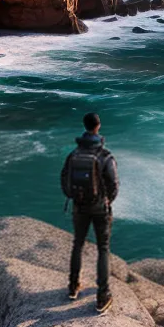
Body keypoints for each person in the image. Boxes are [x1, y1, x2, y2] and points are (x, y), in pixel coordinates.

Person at [62, 112, 119, 313]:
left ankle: (73, 286)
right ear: (98, 126)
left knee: (77, 244)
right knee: (103, 248)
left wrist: (76, 197)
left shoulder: (74, 154)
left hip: (79, 207)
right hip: (100, 208)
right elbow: (114, 184)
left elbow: (64, 180)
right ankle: (102, 296)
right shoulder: (104, 156)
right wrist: (106, 200)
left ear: (85, 126)